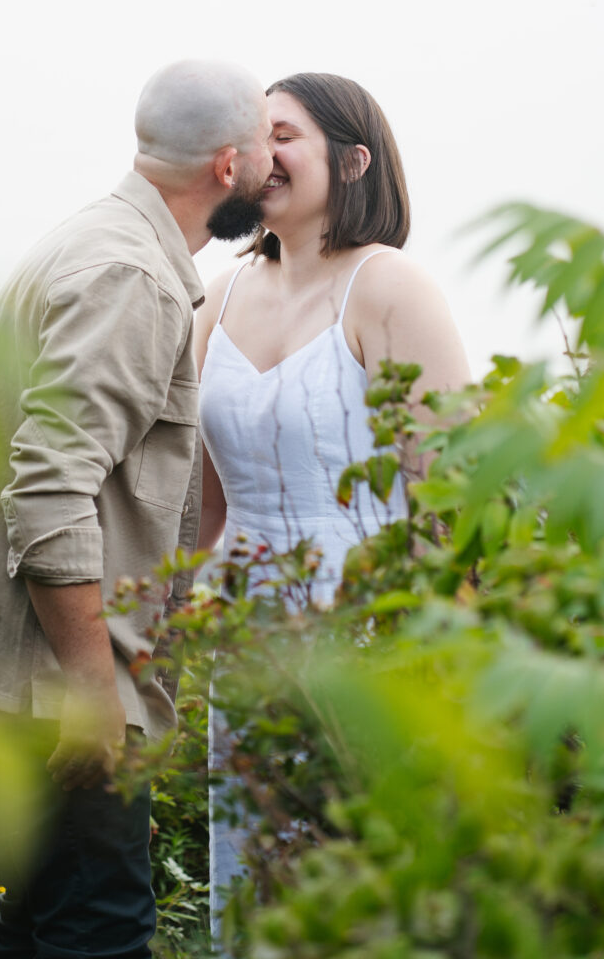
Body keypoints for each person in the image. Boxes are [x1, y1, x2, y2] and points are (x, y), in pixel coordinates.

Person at [0, 59, 274, 959]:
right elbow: (49, 483)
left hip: (15, 667)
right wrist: (91, 687)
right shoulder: (132, 280)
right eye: (268, 143)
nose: (274, 165)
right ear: (227, 167)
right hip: (50, 681)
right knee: (101, 932)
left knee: (33, 930)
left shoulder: (95, 242)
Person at [195, 71, 470, 936]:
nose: (261, 153)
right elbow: (200, 505)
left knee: (367, 887)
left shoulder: (391, 288)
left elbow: (446, 497)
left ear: (351, 162)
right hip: (240, 620)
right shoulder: (220, 293)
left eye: (285, 135)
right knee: (254, 885)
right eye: (253, 134)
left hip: (370, 622)